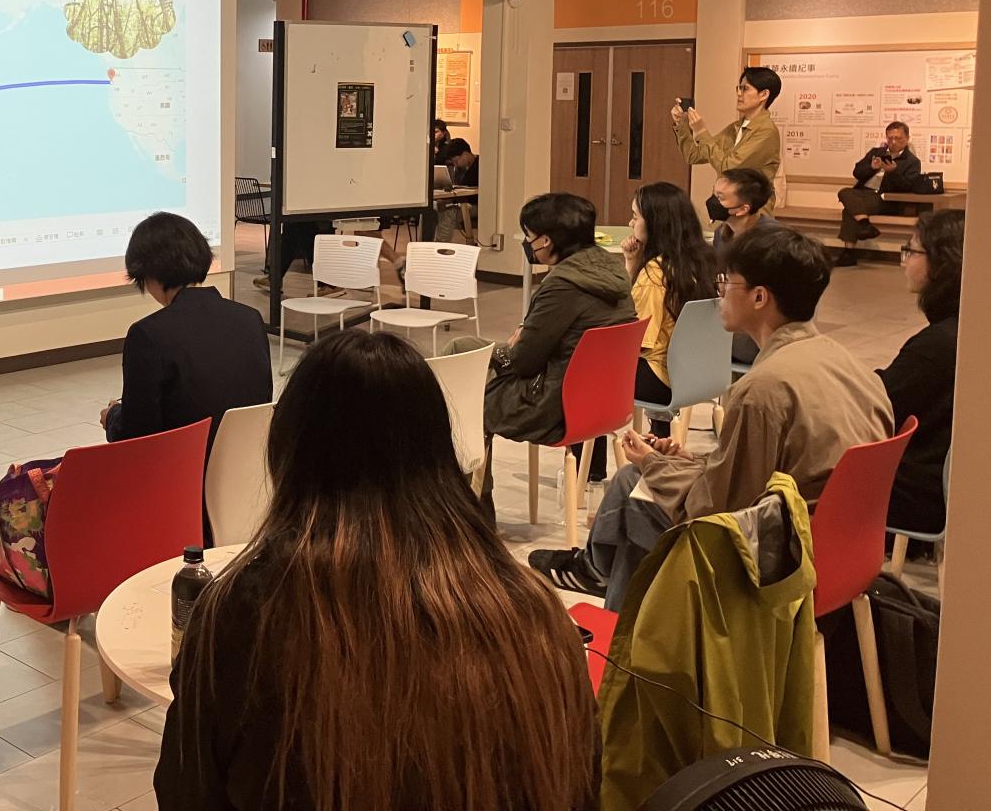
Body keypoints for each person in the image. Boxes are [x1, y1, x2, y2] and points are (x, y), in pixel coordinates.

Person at [155, 331, 598, 811]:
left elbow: (186, 792)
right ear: (439, 450)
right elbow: (584, 782)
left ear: (288, 454)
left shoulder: (246, 616)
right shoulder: (535, 612)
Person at [530, 226, 891, 609]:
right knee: (640, 481)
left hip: (783, 558)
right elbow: (760, 472)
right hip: (844, 548)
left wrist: (654, 463)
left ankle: (623, 626)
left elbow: (718, 508)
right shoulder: (853, 367)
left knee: (635, 496)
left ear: (759, 297)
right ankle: (603, 585)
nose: (718, 292)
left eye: (727, 282)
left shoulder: (764, 389)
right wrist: (685, 461)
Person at [470, 193, 635, 501]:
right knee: (463, 348)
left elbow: (522, 362)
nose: (528, 243)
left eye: (529, 236)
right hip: (604, 400)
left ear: (545, 241)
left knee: (463, 392)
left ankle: (475, 505)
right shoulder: (613, 273)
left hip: (554, 405)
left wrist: (512, 345)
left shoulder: (561, 285)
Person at [104, 212, 272, 445]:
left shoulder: (148, 335)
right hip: (244, 456)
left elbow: (137, 436)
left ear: (146, 273)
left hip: (183, 461)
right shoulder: (250, 318)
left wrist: (112, 417)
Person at [880, 210, 962, 536]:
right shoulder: (962, 328)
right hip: (939, 480)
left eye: (911, 251)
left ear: (942, 263)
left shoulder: (938, 344)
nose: (904, 262)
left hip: (920, 493)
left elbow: (880, 405)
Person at [620, 182, 717, 422]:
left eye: (635, 217)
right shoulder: (706, 261)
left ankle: (592, 447)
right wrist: (632, 263)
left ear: (656, 223)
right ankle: (659, 430)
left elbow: (638, 340)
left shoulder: (655, 273)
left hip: (662, 380)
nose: (630, 223)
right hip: (702, 372)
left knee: (580, 372)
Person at [673, 67, 783, 209]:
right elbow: (694, 155)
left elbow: (729, 169)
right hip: (729, 209)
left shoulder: (766, 131)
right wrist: (681, 124)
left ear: (764, 94)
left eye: (745, 89)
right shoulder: (736, 127)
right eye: (739, 88)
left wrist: (701, 130)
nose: (739, 93)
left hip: (752, 214)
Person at [709, 167, 778, 365]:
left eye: (720, 198)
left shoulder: (770, 240)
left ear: (742, 209)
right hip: (732, 317)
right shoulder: (722, 234)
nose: (713, 202)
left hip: (758, 333)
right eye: (714, 194)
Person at [834, 121, 925, 266]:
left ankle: (849, 253)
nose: (893, 142)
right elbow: (857, 172)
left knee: (850, 209)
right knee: (844, 192)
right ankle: (864, 224)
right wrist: (871, 167)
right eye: (890, 138)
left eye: (898, 138)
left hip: (886, 199)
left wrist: (893, 172)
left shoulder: (912, 161)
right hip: (863, 193)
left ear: (907, 138)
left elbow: (908, 186)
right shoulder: (876, 153)